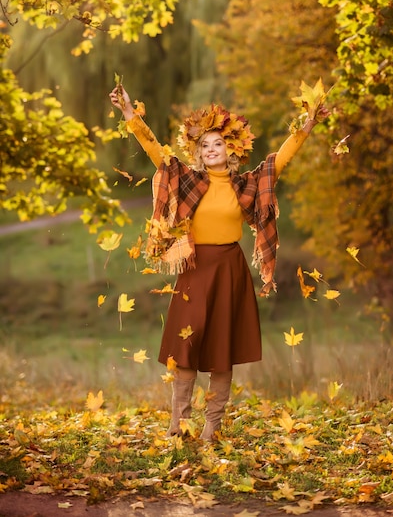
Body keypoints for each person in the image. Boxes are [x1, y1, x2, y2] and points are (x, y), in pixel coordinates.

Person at [109, 85, 329, 441]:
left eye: (218, 144)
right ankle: (178, 425)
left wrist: (306, 126)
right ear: (197, 151)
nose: (212, 150)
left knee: (221, 350)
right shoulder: (187, 179)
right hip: (195, 270)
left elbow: (281, 159)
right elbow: (155, 151)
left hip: (229, 269)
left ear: (232, 149)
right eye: (205, 145)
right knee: (185, 349)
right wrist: (131, 116)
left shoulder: (247, 184)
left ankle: (212, 428)